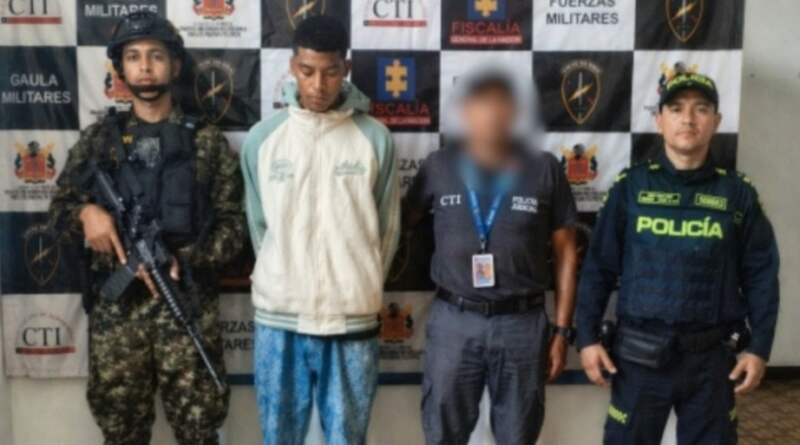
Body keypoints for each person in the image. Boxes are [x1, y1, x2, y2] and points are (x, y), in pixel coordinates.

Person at [48, 11, 244, 445]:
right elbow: (59, 210)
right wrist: (86, 214)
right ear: (120, 68)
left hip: (186, 307)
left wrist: (184, 258)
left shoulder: (206, 142)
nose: (145, 67)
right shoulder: (99, 141)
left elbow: (234, 226)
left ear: (175, 64)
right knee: (122, 434)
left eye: (156, 56)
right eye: (133, 57)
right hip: (118, 318)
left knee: (199, 433)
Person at [576, 72, 780, 444]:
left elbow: (762, 276)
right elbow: (598, 268)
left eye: (701, 109)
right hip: (638, 358)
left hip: (712, 359)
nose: (688, 119)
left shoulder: (738, 194)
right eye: (676, 109)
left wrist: (759, 348)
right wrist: (587, 338)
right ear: (659, 120)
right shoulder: (630, 187)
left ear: (716, 121)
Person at [240, 15, 400, 445]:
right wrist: (283, 276)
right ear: (293, 67)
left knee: (348, 439)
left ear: (345, 69)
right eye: (307, 71)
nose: (317, 85)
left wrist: (360, 283)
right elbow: (259, 225)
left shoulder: (375, 139)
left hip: (352, 320)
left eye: (330, 72)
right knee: (279, 438)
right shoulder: (262, 139)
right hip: (279, 320)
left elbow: (387, 230)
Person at [404, 68, 579, 445]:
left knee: (518, 436)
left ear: (515, 112)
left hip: (522, 324)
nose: (492, 114)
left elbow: (566, 251)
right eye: (482, 105)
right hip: (454, 321)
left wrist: (562, 331)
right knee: (442, 434)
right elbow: (403, 225)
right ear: (465, 112)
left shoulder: (545, 168)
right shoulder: (439, 166)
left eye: (501, 105)